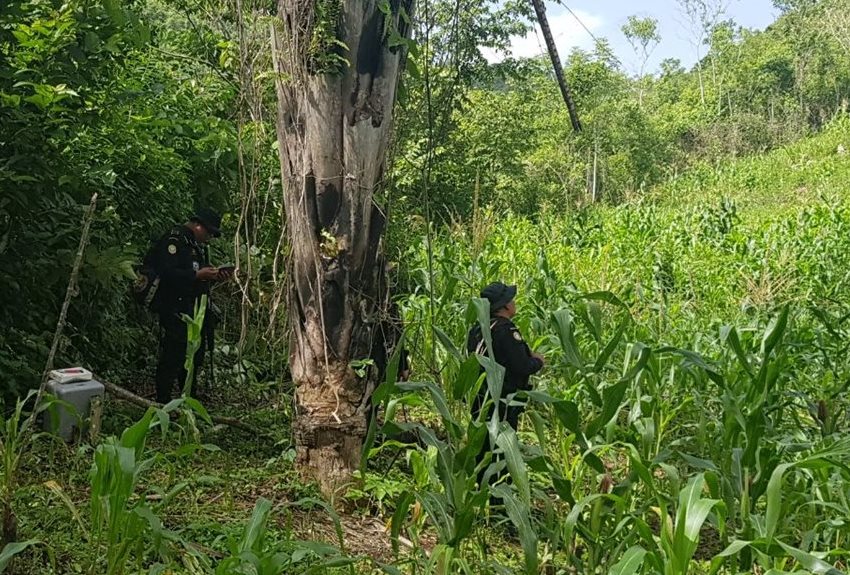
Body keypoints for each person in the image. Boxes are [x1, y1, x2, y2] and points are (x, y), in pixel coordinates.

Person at [146, 208, 232, 404]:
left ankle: (189, 398)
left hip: (193, 307)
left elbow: (196, 276)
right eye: (208, 233)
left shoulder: (194, 244)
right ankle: (163, 401)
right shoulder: (175, 240)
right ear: (198, 225)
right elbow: (168, 273)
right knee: (173, 355)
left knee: (194, 354)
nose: (209, 238)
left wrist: (214, 276)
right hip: (174, 306)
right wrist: (197, 275)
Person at [467, 281, 545, 491]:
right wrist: (538, 361)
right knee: (503, 448)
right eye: (511, 299)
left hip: (481, 398)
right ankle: (499, 496)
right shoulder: (506, 330)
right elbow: (521, 366)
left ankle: (481, 488)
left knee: (483, 446)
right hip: (503, 401)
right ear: (504, 306)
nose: (514, 302)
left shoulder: (477, 329)